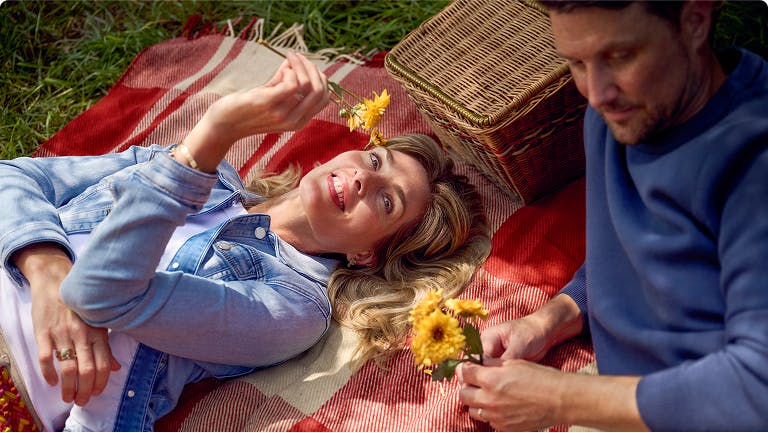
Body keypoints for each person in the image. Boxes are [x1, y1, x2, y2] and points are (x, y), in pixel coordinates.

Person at [0, 51, 492, 431]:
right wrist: (45, 271)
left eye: (388, 203)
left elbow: (101, 296)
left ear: (367, 255)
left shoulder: (292, 308)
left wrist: (217, 130)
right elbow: (15, 177)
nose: (365, 179)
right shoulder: (210, 178)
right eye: (376, 161)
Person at [457, 0, 768, 431]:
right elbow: (626, 250)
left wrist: (559, 399)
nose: (597, 92)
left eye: (620, 57)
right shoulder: (617, 116)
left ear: (695, 19)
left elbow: (756, 388)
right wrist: (552, 319)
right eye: (578, 63)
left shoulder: (752, 165)